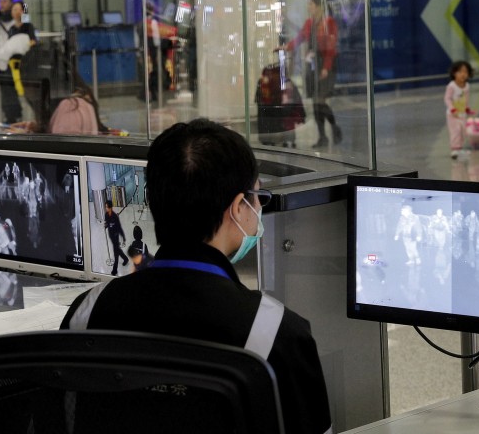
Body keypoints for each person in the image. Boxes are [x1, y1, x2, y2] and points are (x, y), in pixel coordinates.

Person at [61, 119, 332, 434]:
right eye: (257, 196)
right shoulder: (276, 334)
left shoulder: (88, 312)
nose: (258, 207)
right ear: (237, 207)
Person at [279, 0, 341, 149]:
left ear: (319, 6)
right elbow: (299, 38)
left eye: (311, 4)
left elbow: (330, 49)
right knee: (315, 102)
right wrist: (286, 47)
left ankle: (334, 127)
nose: (309, 7)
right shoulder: (309, 23)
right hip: (312, 65)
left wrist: (326, 68)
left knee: (320, 100)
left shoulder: (329, 22)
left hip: (325, 65)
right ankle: (323, 136)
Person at [444, 60, 474, 159]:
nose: (463, 74)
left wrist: (467, 108)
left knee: (463, 131)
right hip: (453, 115)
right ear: (454, 73)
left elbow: (466, 98)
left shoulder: (467, 86)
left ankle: (460, 149)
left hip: (462, 114)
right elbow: (447, 98)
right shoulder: (451, 86)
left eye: (465, 72)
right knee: (455, 131)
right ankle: (454, 149)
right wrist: (452, 109)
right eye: (460, 72)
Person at [103, 201, 128, 276]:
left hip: (115, 236)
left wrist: (123, 237)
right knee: (117, 250)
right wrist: (106, 225)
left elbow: (119, 227)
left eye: (107, 207)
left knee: (115, 253)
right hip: (111, 235)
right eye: (106, 207)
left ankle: (114, 270)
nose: (106, 208)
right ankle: (125, 259)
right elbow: (107, 222)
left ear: (110, 207)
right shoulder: (106, 214)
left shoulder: (115, 216)